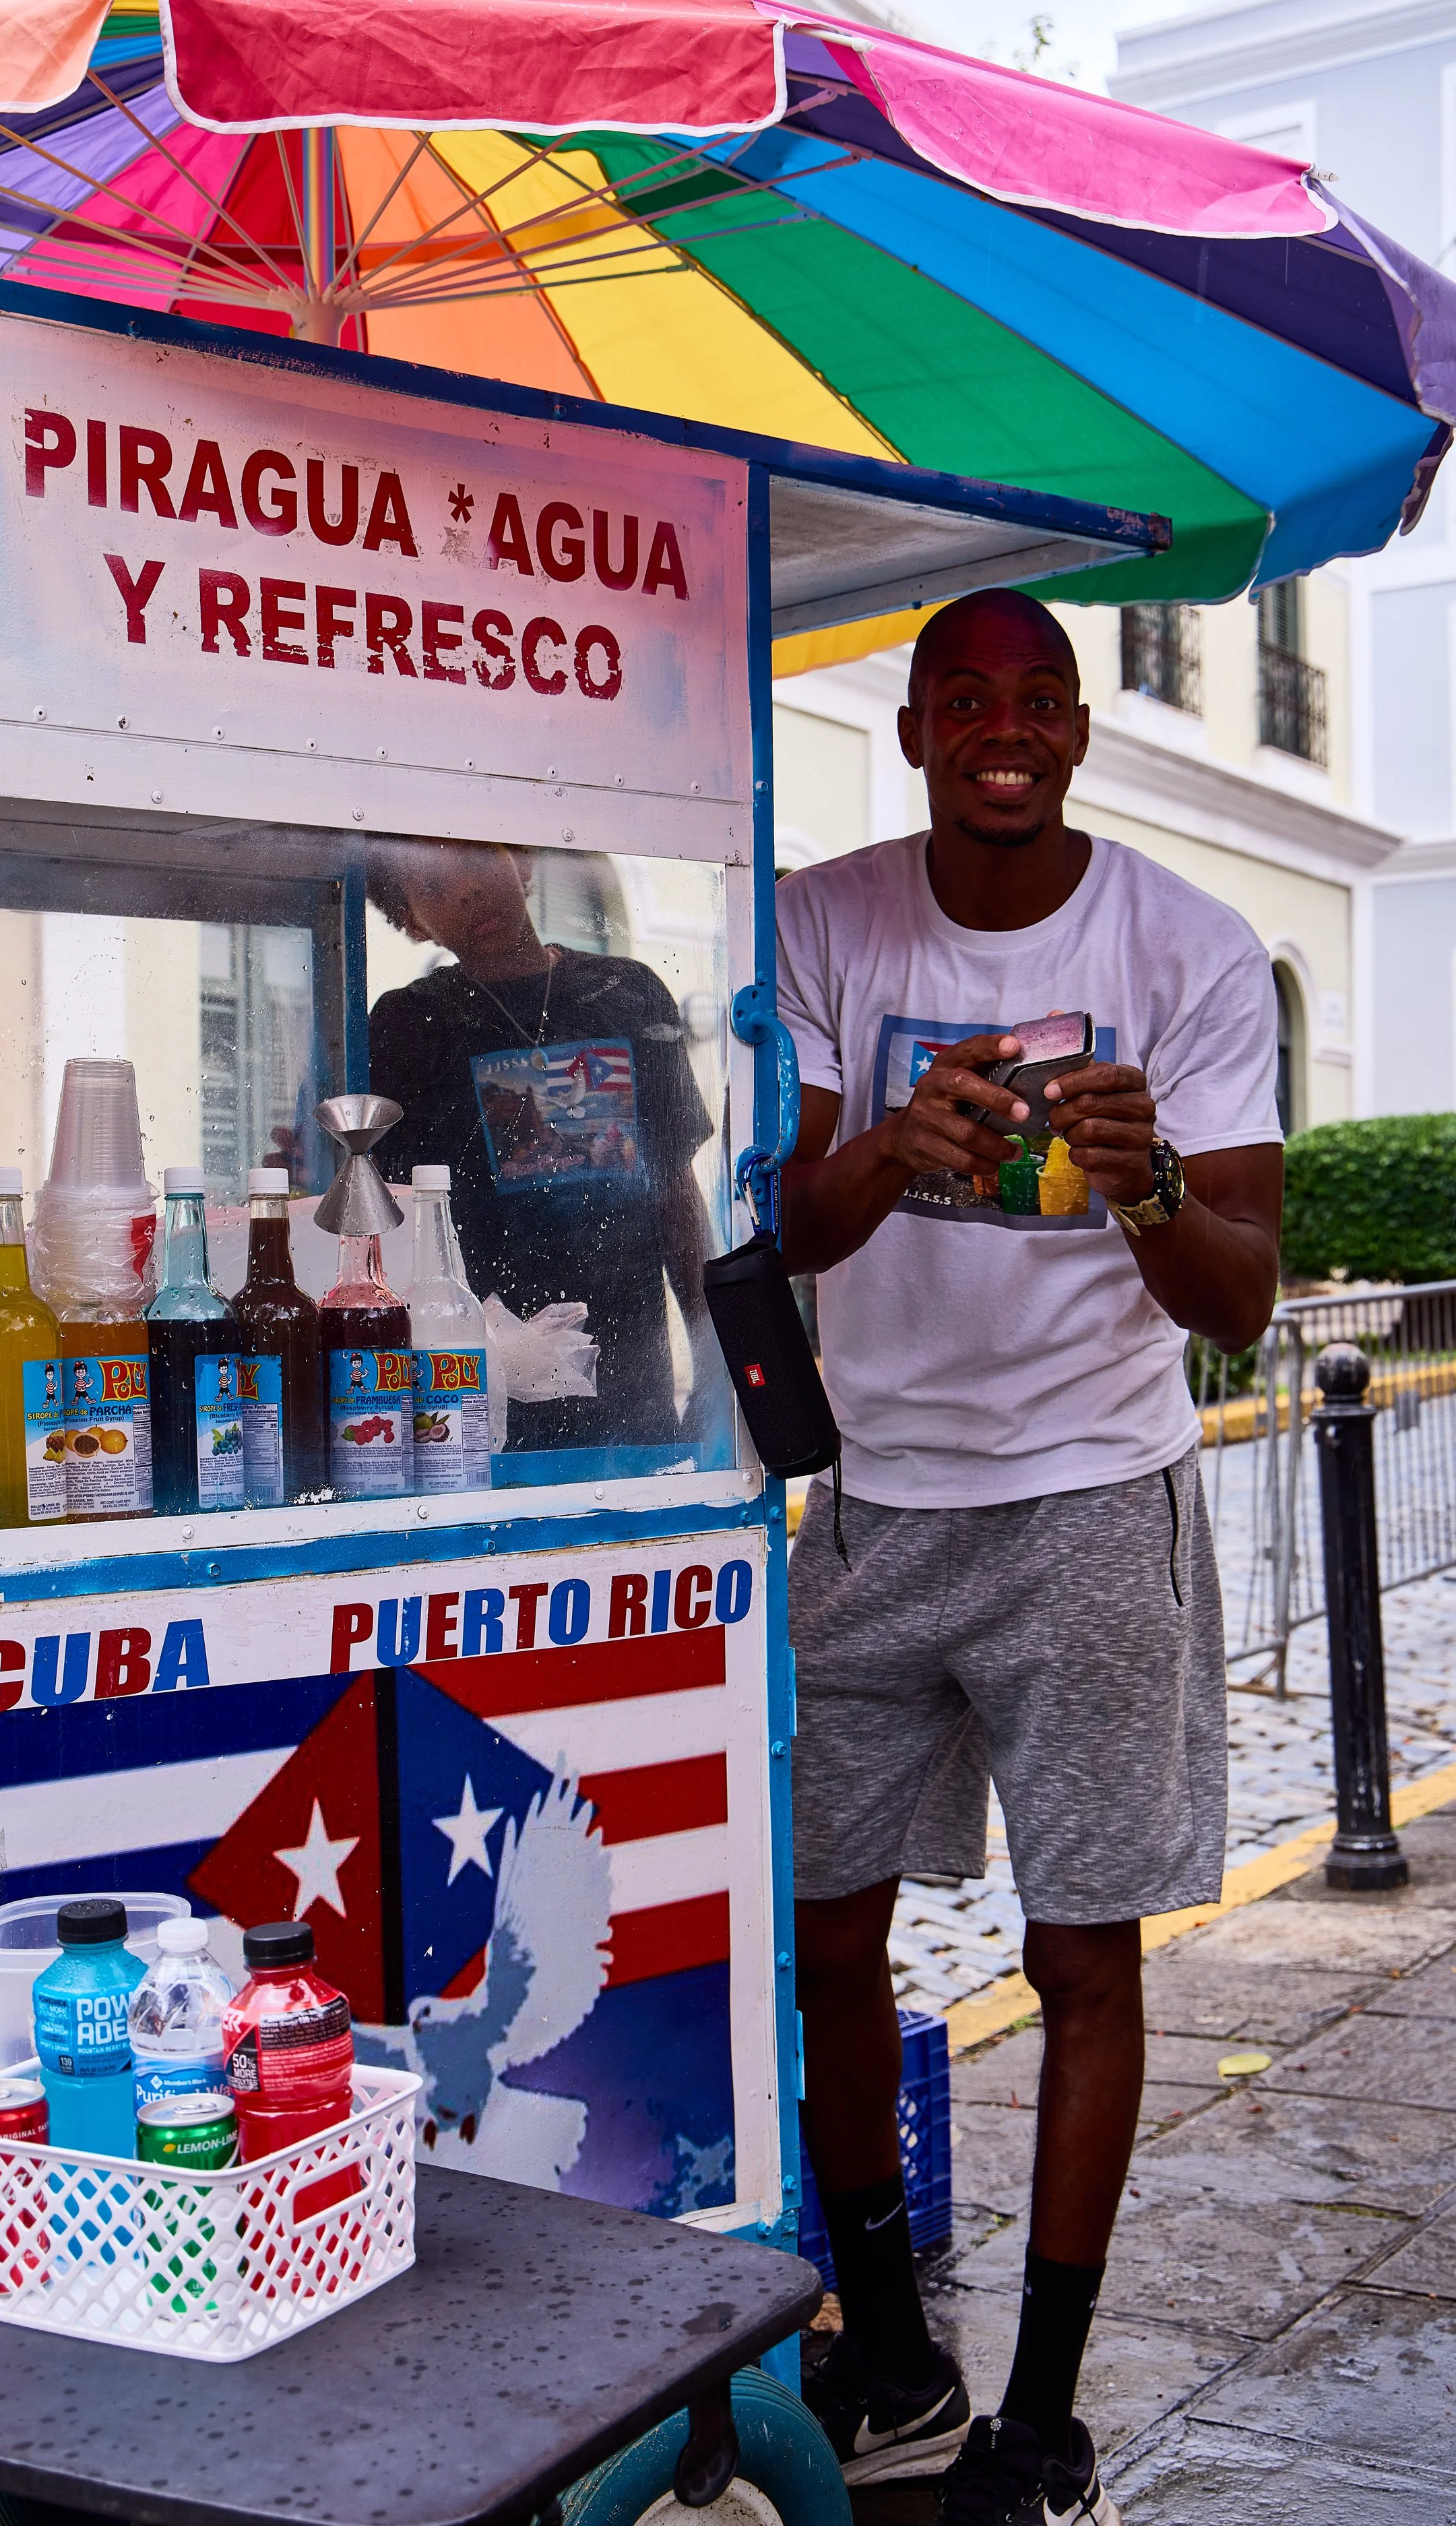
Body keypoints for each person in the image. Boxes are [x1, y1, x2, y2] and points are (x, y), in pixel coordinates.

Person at [776, 589, 1283, 2525]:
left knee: (1081, 1948)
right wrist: (900, 1142)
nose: (1003, 730)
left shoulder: (1190, 945)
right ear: (912, 732)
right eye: (963, 701)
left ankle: (1043, 2417)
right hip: (875, 1497)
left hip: (1092, 1493)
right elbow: (795, 1233)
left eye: (1037, 702)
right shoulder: (823, 916)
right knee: (828, 1931)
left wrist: (1144, 1173)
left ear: (1079, 732)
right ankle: (895, 2359)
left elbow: (1239, 1292)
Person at [364, 838, 716, 1452]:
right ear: (411, 923)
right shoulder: (410, 1025)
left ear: (521, 860)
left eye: (476, 861)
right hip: (476, 1399)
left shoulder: (625, 992)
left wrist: (715, 1356)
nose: (469, 891)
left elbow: (676, 1195)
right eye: (435, 889)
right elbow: (388, 1222)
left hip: (633, 1390)